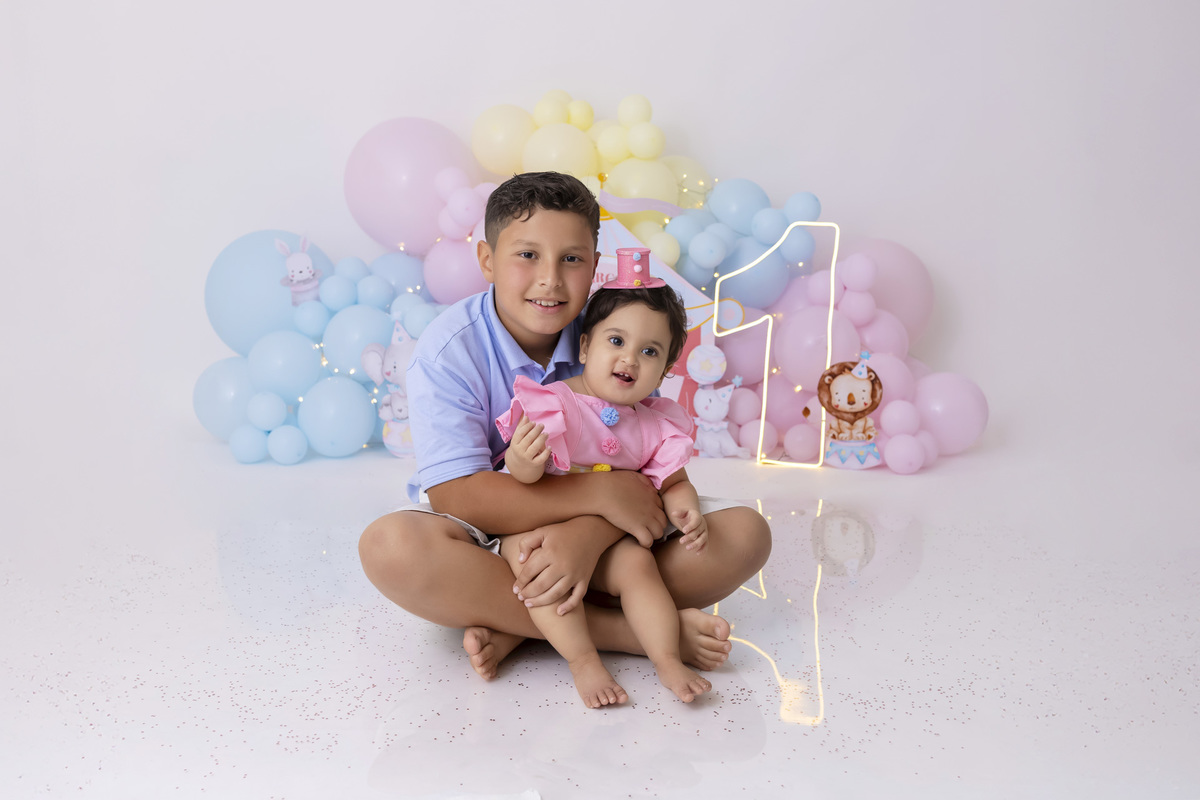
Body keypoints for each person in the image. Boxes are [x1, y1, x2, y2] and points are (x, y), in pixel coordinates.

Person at [358, 171, 772, 699]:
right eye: (526, 255)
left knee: (744, 535)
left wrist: (589, 533)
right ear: (486, 259)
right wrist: (598, 496)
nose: (550, 280)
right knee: (390, 548)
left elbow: (645, 452)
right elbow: (457, 494)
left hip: (618, 530)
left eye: (571, 259)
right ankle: (627, 632)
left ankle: (518, 621)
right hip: (493, 534)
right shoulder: (447, 351)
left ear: (595, 266)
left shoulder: (611, 327)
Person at [496, 251, 711, 706]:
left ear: (665, 370)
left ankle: (667, 658)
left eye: (649, 352)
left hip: (609, 546)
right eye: (616, 341)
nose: (629, 359)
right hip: (545, 530)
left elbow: (672, 480)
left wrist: (685, 505)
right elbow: (517, 477)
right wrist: (524, 459)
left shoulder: (654, 424)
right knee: (526, 559)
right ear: (586, 347)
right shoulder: (556, 404)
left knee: (639, 566)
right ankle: (584, 661)